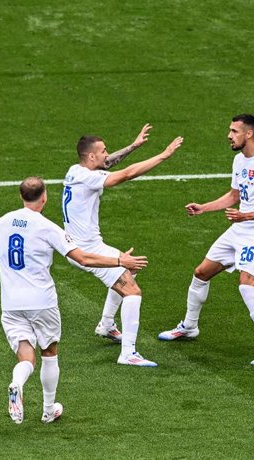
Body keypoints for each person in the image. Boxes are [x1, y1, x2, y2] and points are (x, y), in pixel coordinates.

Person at [0, 177, 148, 424]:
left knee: (26, 357)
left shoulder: (1, 222)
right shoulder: (48, 228)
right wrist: (120, 262)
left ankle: (17, 383)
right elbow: (83, 258)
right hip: (42, 302)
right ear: (44, 197)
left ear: (21, 196)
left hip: (11, 304)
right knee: (49, 353)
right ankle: (48, 410)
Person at [158, 114, 254, 365]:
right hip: (241, 227)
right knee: (201, 272)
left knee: (246, 284)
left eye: (234, 131)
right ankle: (189, 326)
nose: (229, 135)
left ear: (248, 134)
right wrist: (204, 208)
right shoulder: (239, 160)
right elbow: (234, 195)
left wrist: (246, 215)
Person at [62, 126, 183, 367]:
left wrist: (134, 146)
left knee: (132, 268)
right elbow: (125, 174)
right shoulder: (88, 177)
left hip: (86, 245)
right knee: (133, 293)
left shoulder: (75, 170)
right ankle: (128, 353)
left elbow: (107, 165)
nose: (107, 154)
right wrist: (163, 155)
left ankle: (106, 325)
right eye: (103, 151)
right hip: (87, 251)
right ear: (91, 156)